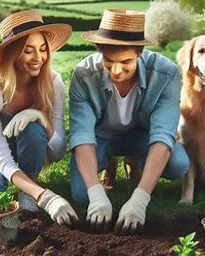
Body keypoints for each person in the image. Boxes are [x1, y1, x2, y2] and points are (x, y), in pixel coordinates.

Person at [69, 9, 189, 234]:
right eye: (108, 61)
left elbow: (163, 136)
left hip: (140, 135)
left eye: (125, 62)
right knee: (79, 193)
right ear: (99, 50)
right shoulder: (83, 75)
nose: (116, 70)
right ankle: (110, 165)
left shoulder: (166, 74)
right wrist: (96, 193)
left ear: (140, 52)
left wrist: (140, 198)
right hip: (101, 136)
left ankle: (134, 164)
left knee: (178, 164)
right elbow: (81, 134)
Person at [0, 10, 78, 225]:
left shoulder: (53, 82)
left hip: (29, 143)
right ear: (13, 52)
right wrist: (46, 197)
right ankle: (31, 191)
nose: (38, 58)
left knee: (34, 129)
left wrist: (40, 118)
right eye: (28, 50)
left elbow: (56, 151)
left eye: (42, 49)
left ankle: (27, 192)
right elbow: (1, 157)